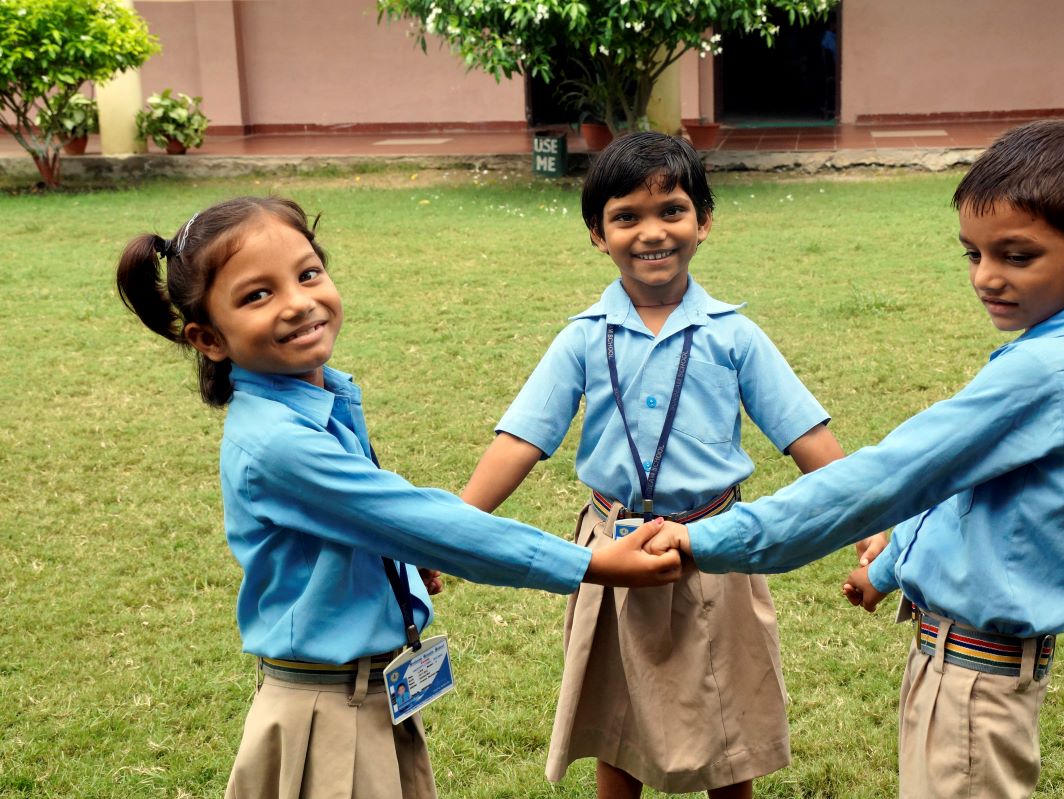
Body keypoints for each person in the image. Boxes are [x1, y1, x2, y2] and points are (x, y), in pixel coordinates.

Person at [114, 196, 682, 799]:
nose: (299, 302)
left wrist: (399, 573)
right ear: (209, 339)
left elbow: (360, 531)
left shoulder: (316, 401)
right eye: (257, 295)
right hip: (325, 717)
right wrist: (593, 565)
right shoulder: (277, 444)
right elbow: (415, 519)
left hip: (370, 696)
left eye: (308, 273)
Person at [646, 119, 1064, 798]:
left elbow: (889, 477)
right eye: (972, 253)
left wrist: (709, 539)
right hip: (960, 666)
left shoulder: (1046, 375)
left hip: (975, 683)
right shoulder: (1063, 358)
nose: (986, 278)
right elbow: (964, 491)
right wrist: (890, 561)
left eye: (1016, 255)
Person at [461, 132, 884, 799]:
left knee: (729, 726)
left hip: (715, 547)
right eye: (626, 216)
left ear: (704, 221)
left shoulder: (734, 335)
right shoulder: (583, 338)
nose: (651, 232)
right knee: (615, 718)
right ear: (598, 233)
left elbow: (807, 435)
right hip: (611, 550)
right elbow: (520, 440)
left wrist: (868, 521)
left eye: (672, 211)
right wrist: (453, 526)